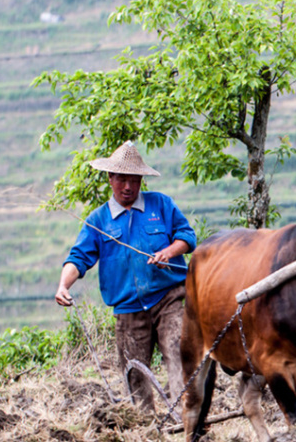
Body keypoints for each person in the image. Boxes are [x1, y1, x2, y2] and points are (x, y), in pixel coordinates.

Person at [55, 140, 197, 413]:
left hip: (169, 299)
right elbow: (78, 258)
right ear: (111, 179)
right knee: (135, 374)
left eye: (134, 180)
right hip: (128, 309)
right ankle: (146, 427)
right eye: (122, 179)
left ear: (141, 179)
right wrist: (63, 285)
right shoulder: (98, 221)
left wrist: (169, 252)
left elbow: (187, 237)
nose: (128, 187)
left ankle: (185, 420)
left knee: (179, 355)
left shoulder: (161, 205)